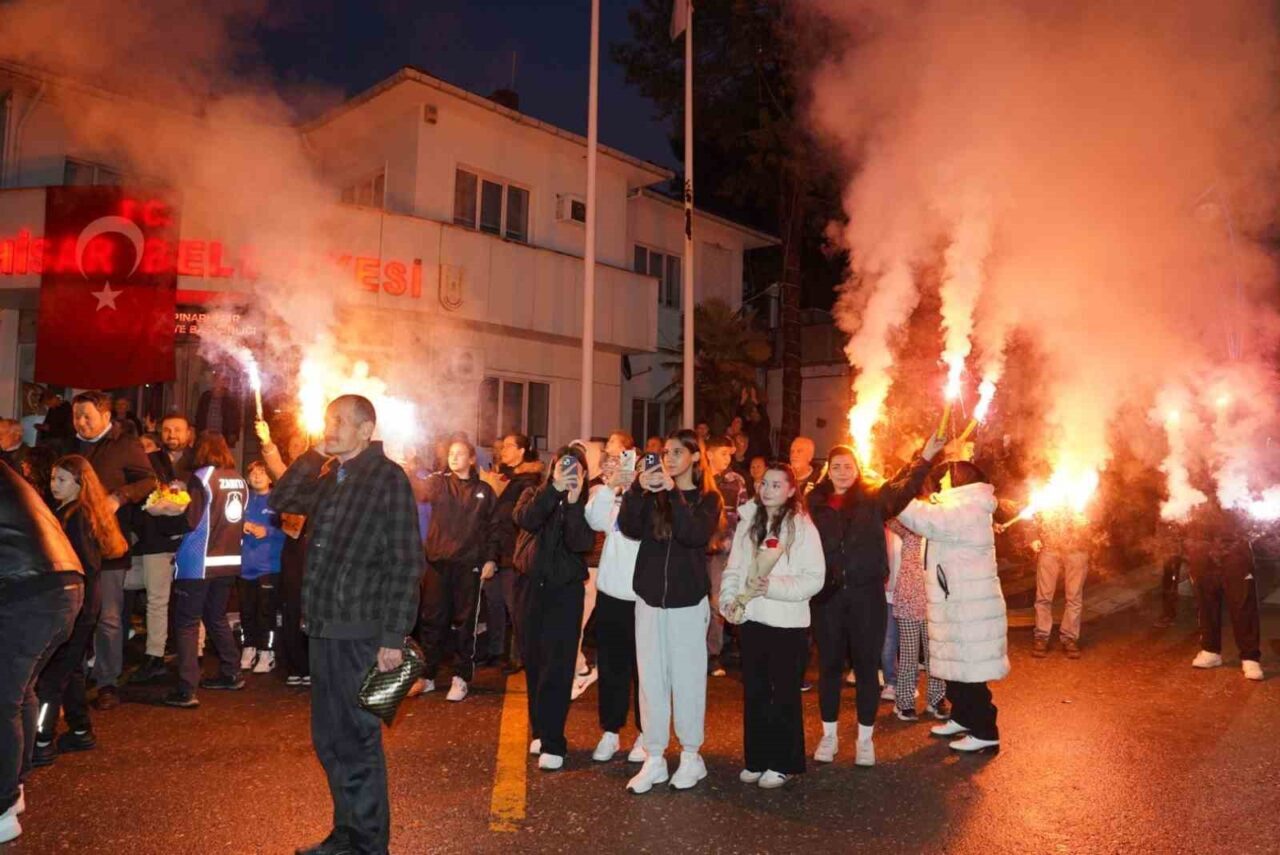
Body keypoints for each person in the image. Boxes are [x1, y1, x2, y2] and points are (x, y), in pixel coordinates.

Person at [270, 395, 424, 855]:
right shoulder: (330, 476)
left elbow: (405, 561)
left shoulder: (387, 478)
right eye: (327, 420)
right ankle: (347, 834)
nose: (330, 427)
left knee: (357, 739)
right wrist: (314, 453)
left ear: (366, 429)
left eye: (339, 421)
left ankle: (369, 844)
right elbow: (281, 499)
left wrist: (393, 637)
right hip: (324, 627)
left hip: (360, 631)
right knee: (330, 739)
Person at [807, 435, 944, 768]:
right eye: (836, 466)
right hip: (827, 597)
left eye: (848, 466)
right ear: (827, 471)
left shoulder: (872, 498)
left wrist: (924, 457)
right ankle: (829, 736)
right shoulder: (814, 502)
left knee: (868, 667)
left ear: (857, 469)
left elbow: (902, 488)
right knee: (829, 667)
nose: (842, 472)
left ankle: (865, 739)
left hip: (866, 595)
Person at [619, 429, 723, 794]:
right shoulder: (653, 494)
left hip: (687, 603)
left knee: (688, 679)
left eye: (678, 452)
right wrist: (637, 489)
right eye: (666, 452)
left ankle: (692, 755)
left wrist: (672, 493)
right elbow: (629, 528)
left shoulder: (708, 498)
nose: (669, 458)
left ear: (695, 456)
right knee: (651, 681)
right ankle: (655, 756)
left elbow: (694, 534)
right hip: (649, 600)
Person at [719, 462, 824, 789]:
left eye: (777, 485)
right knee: (755, 691)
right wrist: (729, 599)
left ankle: (783, 762)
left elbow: (814, 578)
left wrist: (773, 587)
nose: (768, 490)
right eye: (764, 483)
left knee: (784, 694)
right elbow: (734, 567)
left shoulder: (801, 527)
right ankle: (757, 757)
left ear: (792, 490)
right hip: (752, 620)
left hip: (787, 624)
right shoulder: (749, 521)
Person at [897, 460, 1007, 754]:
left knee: (971, 673)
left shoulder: (967, 508)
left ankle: (985, 731)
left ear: (960, 480)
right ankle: (962, 717)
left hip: (968, 607)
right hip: (957, 602)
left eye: (946, 477)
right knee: (956, 669)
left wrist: (895, 494)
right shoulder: (961, 506)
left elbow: (921, 517)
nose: (941, 482)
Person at [0, 460, 83, 845]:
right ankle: (14, 790)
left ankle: (2, 809)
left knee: (4, 698)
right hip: (63, 584)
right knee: (21, 691)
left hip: (29, 591)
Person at [32, 456, 128, 767]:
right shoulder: (73, 512)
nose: (54, 485)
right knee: (70, 669)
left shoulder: (76, 517)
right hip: (79, 603)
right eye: (53, 479)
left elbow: (85, 565)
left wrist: (70, 602)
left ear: (79, 484)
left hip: (75, 605)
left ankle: (41, 740)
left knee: (52, 677)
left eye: (62, 480)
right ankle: (80, 729)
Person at [72, 391, 156, 711]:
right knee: (75, 613)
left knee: (108, 616)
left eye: (87, 416)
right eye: (77, 416)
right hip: (72, 542)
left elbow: (148, 481)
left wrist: (119, 497)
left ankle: (107, 681)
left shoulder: (125, 445)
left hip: (110, 542)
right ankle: (73, 675)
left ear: (106, 416)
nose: (81, 422)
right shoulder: (69, 446)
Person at [513, 445, 595, 771]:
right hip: (529, 587)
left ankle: (553, 741)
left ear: (584, 473)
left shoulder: (585, 504)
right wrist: (554, 489)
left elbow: (581, 543)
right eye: (564, 465)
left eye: (576, 467)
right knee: (534, 662)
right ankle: (540, 730)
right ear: (553, 467)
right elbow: (526, 518)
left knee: (557, 667)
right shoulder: (534, 493)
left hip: (565, 592)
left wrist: (573, 503)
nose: (569, 471)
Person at [152, 433, 247, 708]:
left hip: (198, 560)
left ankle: (186, 688)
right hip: (228, 560)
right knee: (216, 617)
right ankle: (232, 672)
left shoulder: (202, 477)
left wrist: (162, 516)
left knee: (186, 623)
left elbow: (191, 521)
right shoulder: (238, 479)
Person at [412, 439, 499, 702]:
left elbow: (494, 527)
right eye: (451, 453)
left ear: (472, 459)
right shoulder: (439, 483)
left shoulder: (484, 491)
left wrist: (491, 559)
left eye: (460, 453)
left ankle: (461, 677)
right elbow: (418, 490)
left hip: (468, 565)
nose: (454, 457)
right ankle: (427, 675)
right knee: (432, 620)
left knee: (464, 622)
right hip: (437, 562)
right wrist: (409, 468)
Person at [584, 433, 646, 764]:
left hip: (644, 599)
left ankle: (645, 733)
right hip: (612, 595)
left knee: (645, 671)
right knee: (611, 668)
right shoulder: (611, 495)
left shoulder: (654, 499)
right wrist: (612, 486)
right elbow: (594, 519)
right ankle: (610, 731)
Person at [128, 413, 197, 685]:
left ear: (189, 433)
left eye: (178, 429)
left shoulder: (199, 463)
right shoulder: (150, 462)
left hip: (191, 541)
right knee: (157, 600)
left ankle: (194, 653)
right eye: (167, 430)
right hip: (156, 539)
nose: (172, 435)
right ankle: (155, 655)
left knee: (191, 599)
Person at [258, 422, 312, 687]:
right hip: (294, 547)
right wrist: (267, 442)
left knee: (310, 607)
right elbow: (278, 467)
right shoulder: (290, 477)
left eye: (301, 445)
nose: (296, 449)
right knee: (291, 605)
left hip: (316, 548)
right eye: (292, 445)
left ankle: (312, 665)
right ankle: (295, 664)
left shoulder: (323, 473)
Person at [1184, 504, 1263, 680]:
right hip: (1200, 542)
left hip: (1234, 542)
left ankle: (1250, 657)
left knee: (1243, 602)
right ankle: (1210, 650)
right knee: (1205, 602)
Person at [888, 514, 948, 721]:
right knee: (909, 654)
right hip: (909, 597)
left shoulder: (939, 530)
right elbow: (890, 516)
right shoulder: (908, 528)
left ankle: (937, 700)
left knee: (935, 654)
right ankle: (904, 702)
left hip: (934, 598)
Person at [703, 436, 748, 677]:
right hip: (695, 549)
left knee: (716, 602)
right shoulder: (698, 479)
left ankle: (712, 653)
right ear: (709, 454)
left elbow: (744, 516)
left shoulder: (736, 482)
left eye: (729, 455)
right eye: (723, 453)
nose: (727, 459)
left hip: (723, 550)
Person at [1032, 509, 1100, 658]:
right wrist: (1033, 537)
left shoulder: (1084, 494)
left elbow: (1096, 515)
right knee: (1043, 596)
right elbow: (1034, 511)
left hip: (1077, 548)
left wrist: (1086, 529)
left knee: (1074, 597)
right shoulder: (1047, 494)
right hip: (1049, 547)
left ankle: (1070, 638)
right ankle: (1041, 637)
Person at [240, 461, 285, 674]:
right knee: (246, 611)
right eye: (253, 473)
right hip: (244, 566)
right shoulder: (243, 500)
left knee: (266, 612)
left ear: (270, 477)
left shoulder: (278, 500)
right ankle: (248, 648)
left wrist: (268, 531)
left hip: (269, 566)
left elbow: (290, 528)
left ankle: (267, 652)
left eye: (262, 473)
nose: (257, 477)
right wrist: (241, 525)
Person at [195, 371, 244, 448]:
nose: (218, 382)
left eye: (221, 380)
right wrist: (200, 431)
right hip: (206, 435)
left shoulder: (231, 398)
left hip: (223, 436)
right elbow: (199, 415)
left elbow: (236, 418)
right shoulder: (205, 396)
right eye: (216, 379)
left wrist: (234, 433)